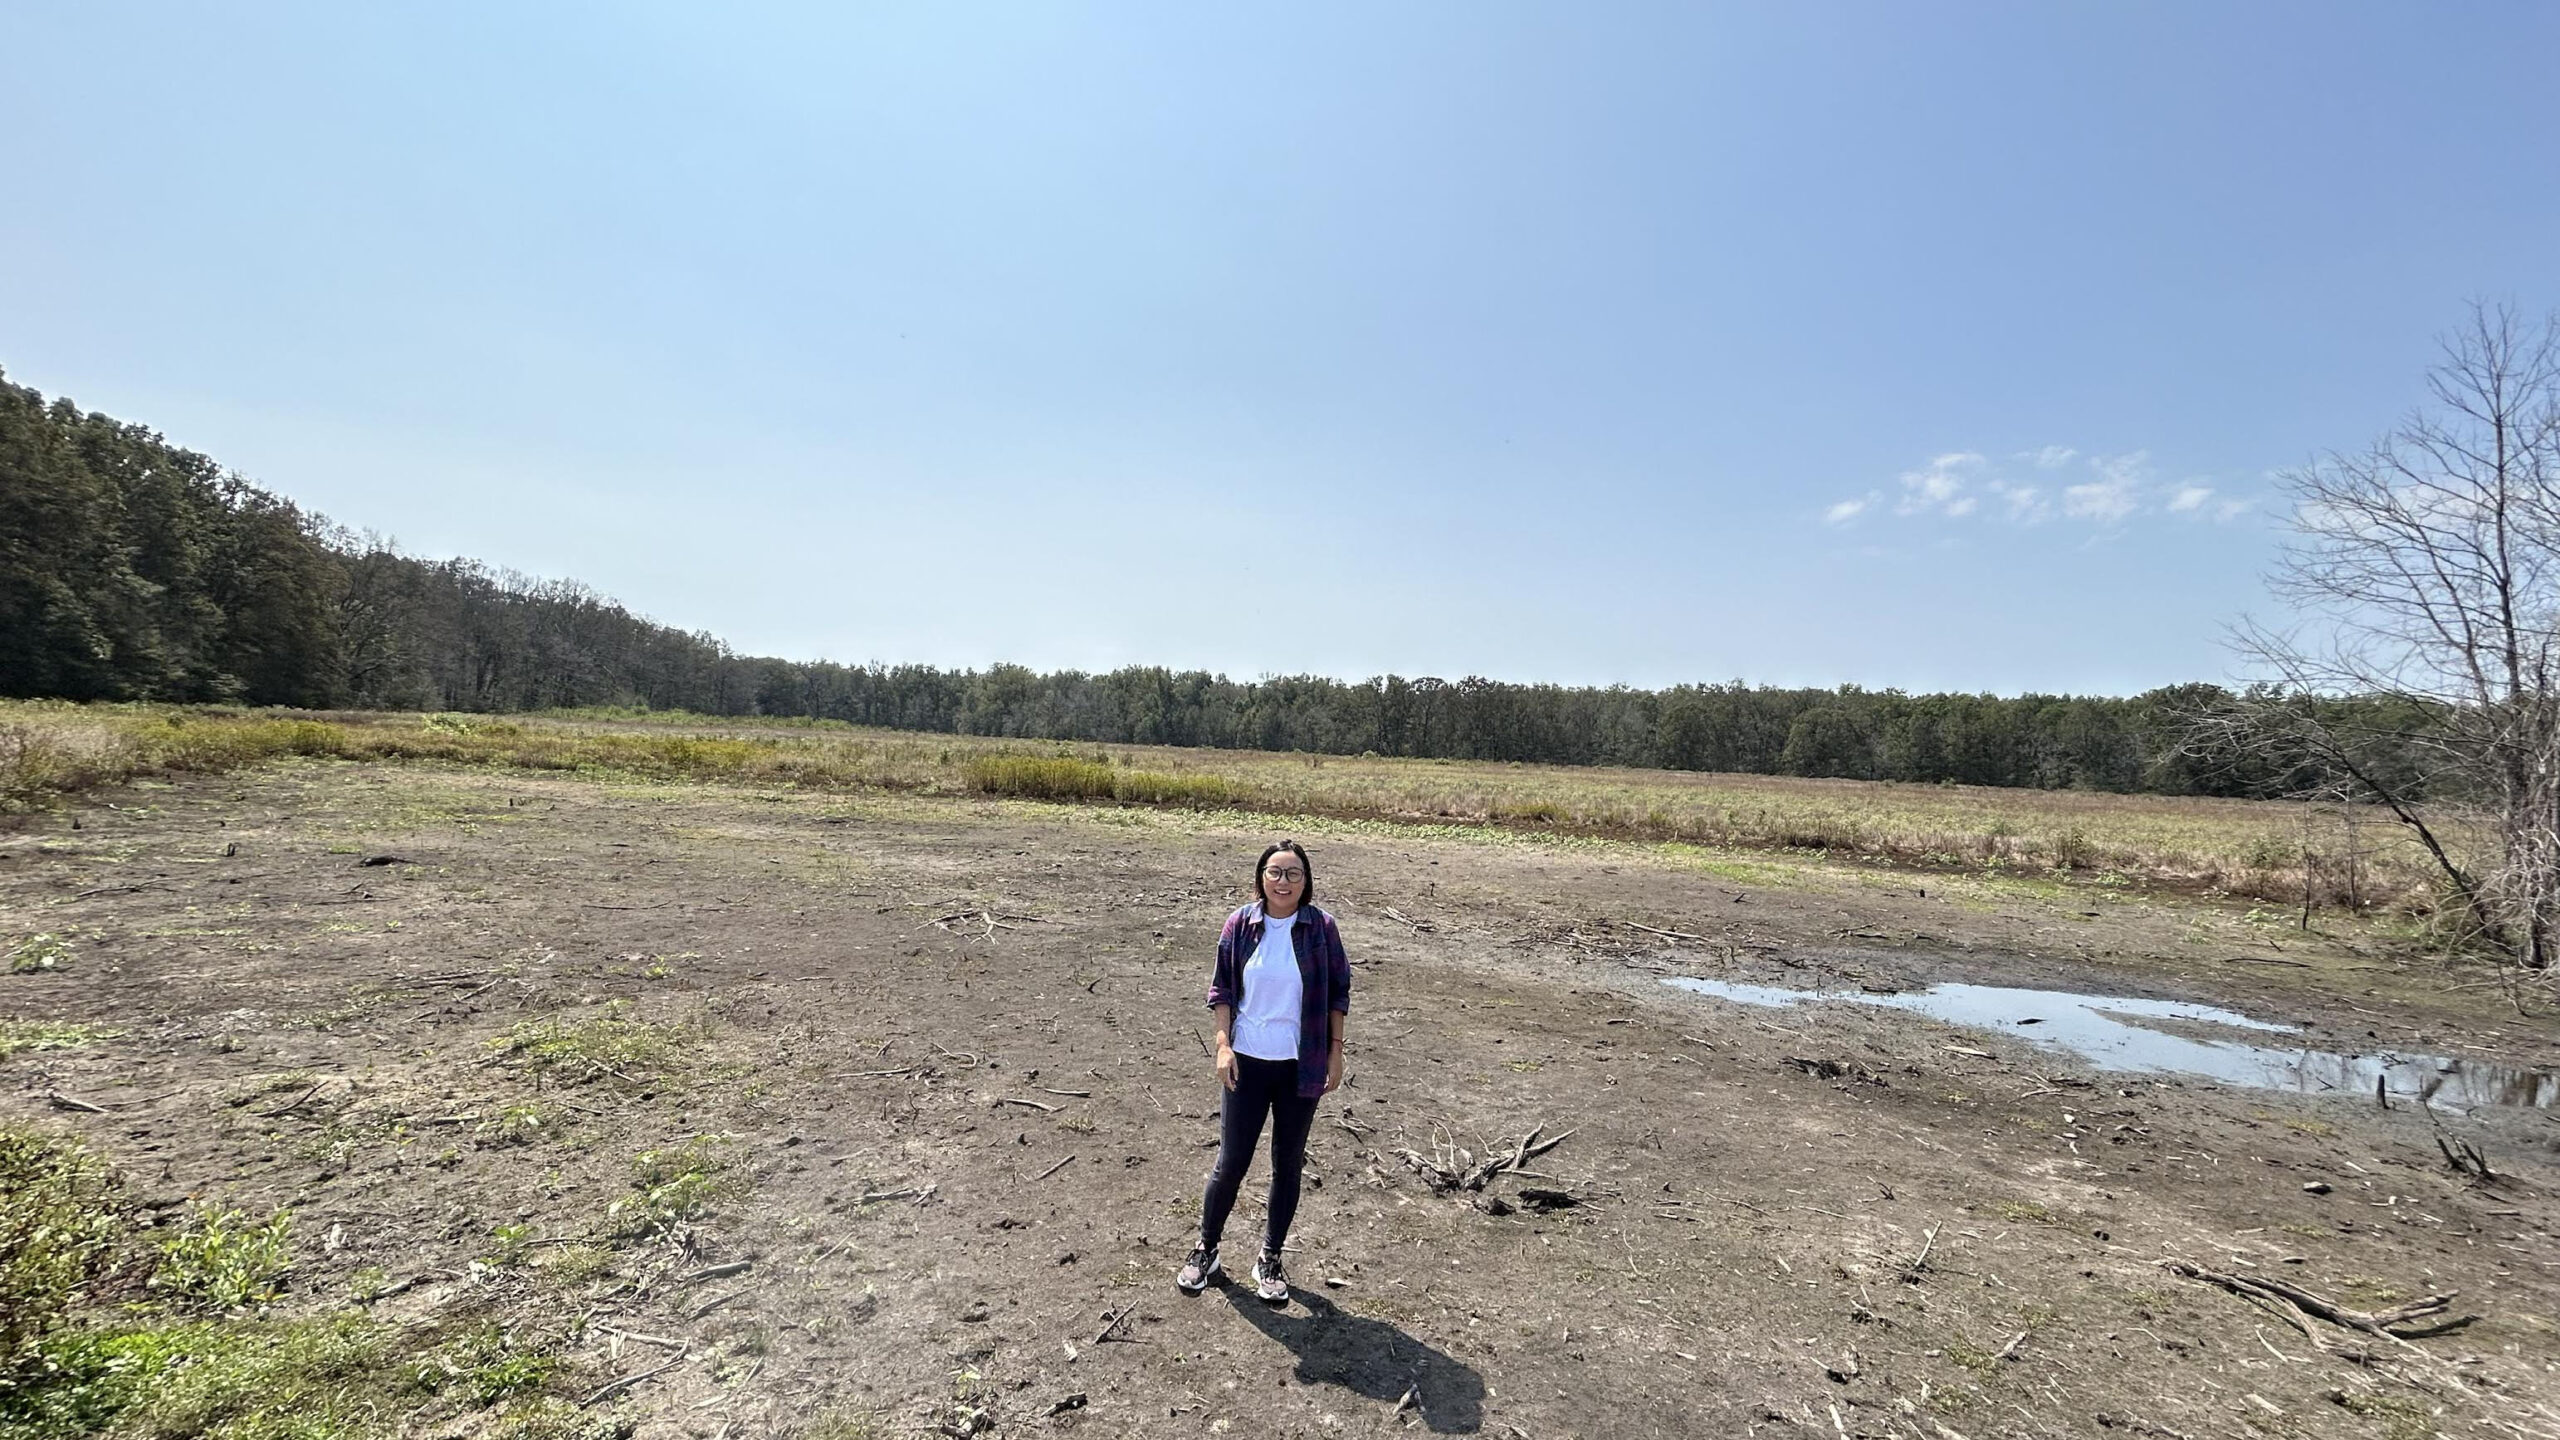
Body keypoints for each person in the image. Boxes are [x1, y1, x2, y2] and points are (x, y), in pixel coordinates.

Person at [1177, 839, 1351, 1303]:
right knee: (1231, 1162)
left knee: (1286, 1166)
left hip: (1302, 1065)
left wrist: (1336, 1051)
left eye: (1294, 873)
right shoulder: (1240, 924)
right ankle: (1206, 1248)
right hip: (1247, 1063)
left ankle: (1270, 1256)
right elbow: (1222, 991)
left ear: (1306, 881)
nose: (1283, 882)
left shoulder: (1321, 929)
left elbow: (1337, 994)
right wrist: (1222, 1045)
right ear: (1261, 877)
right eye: (1275, 872)